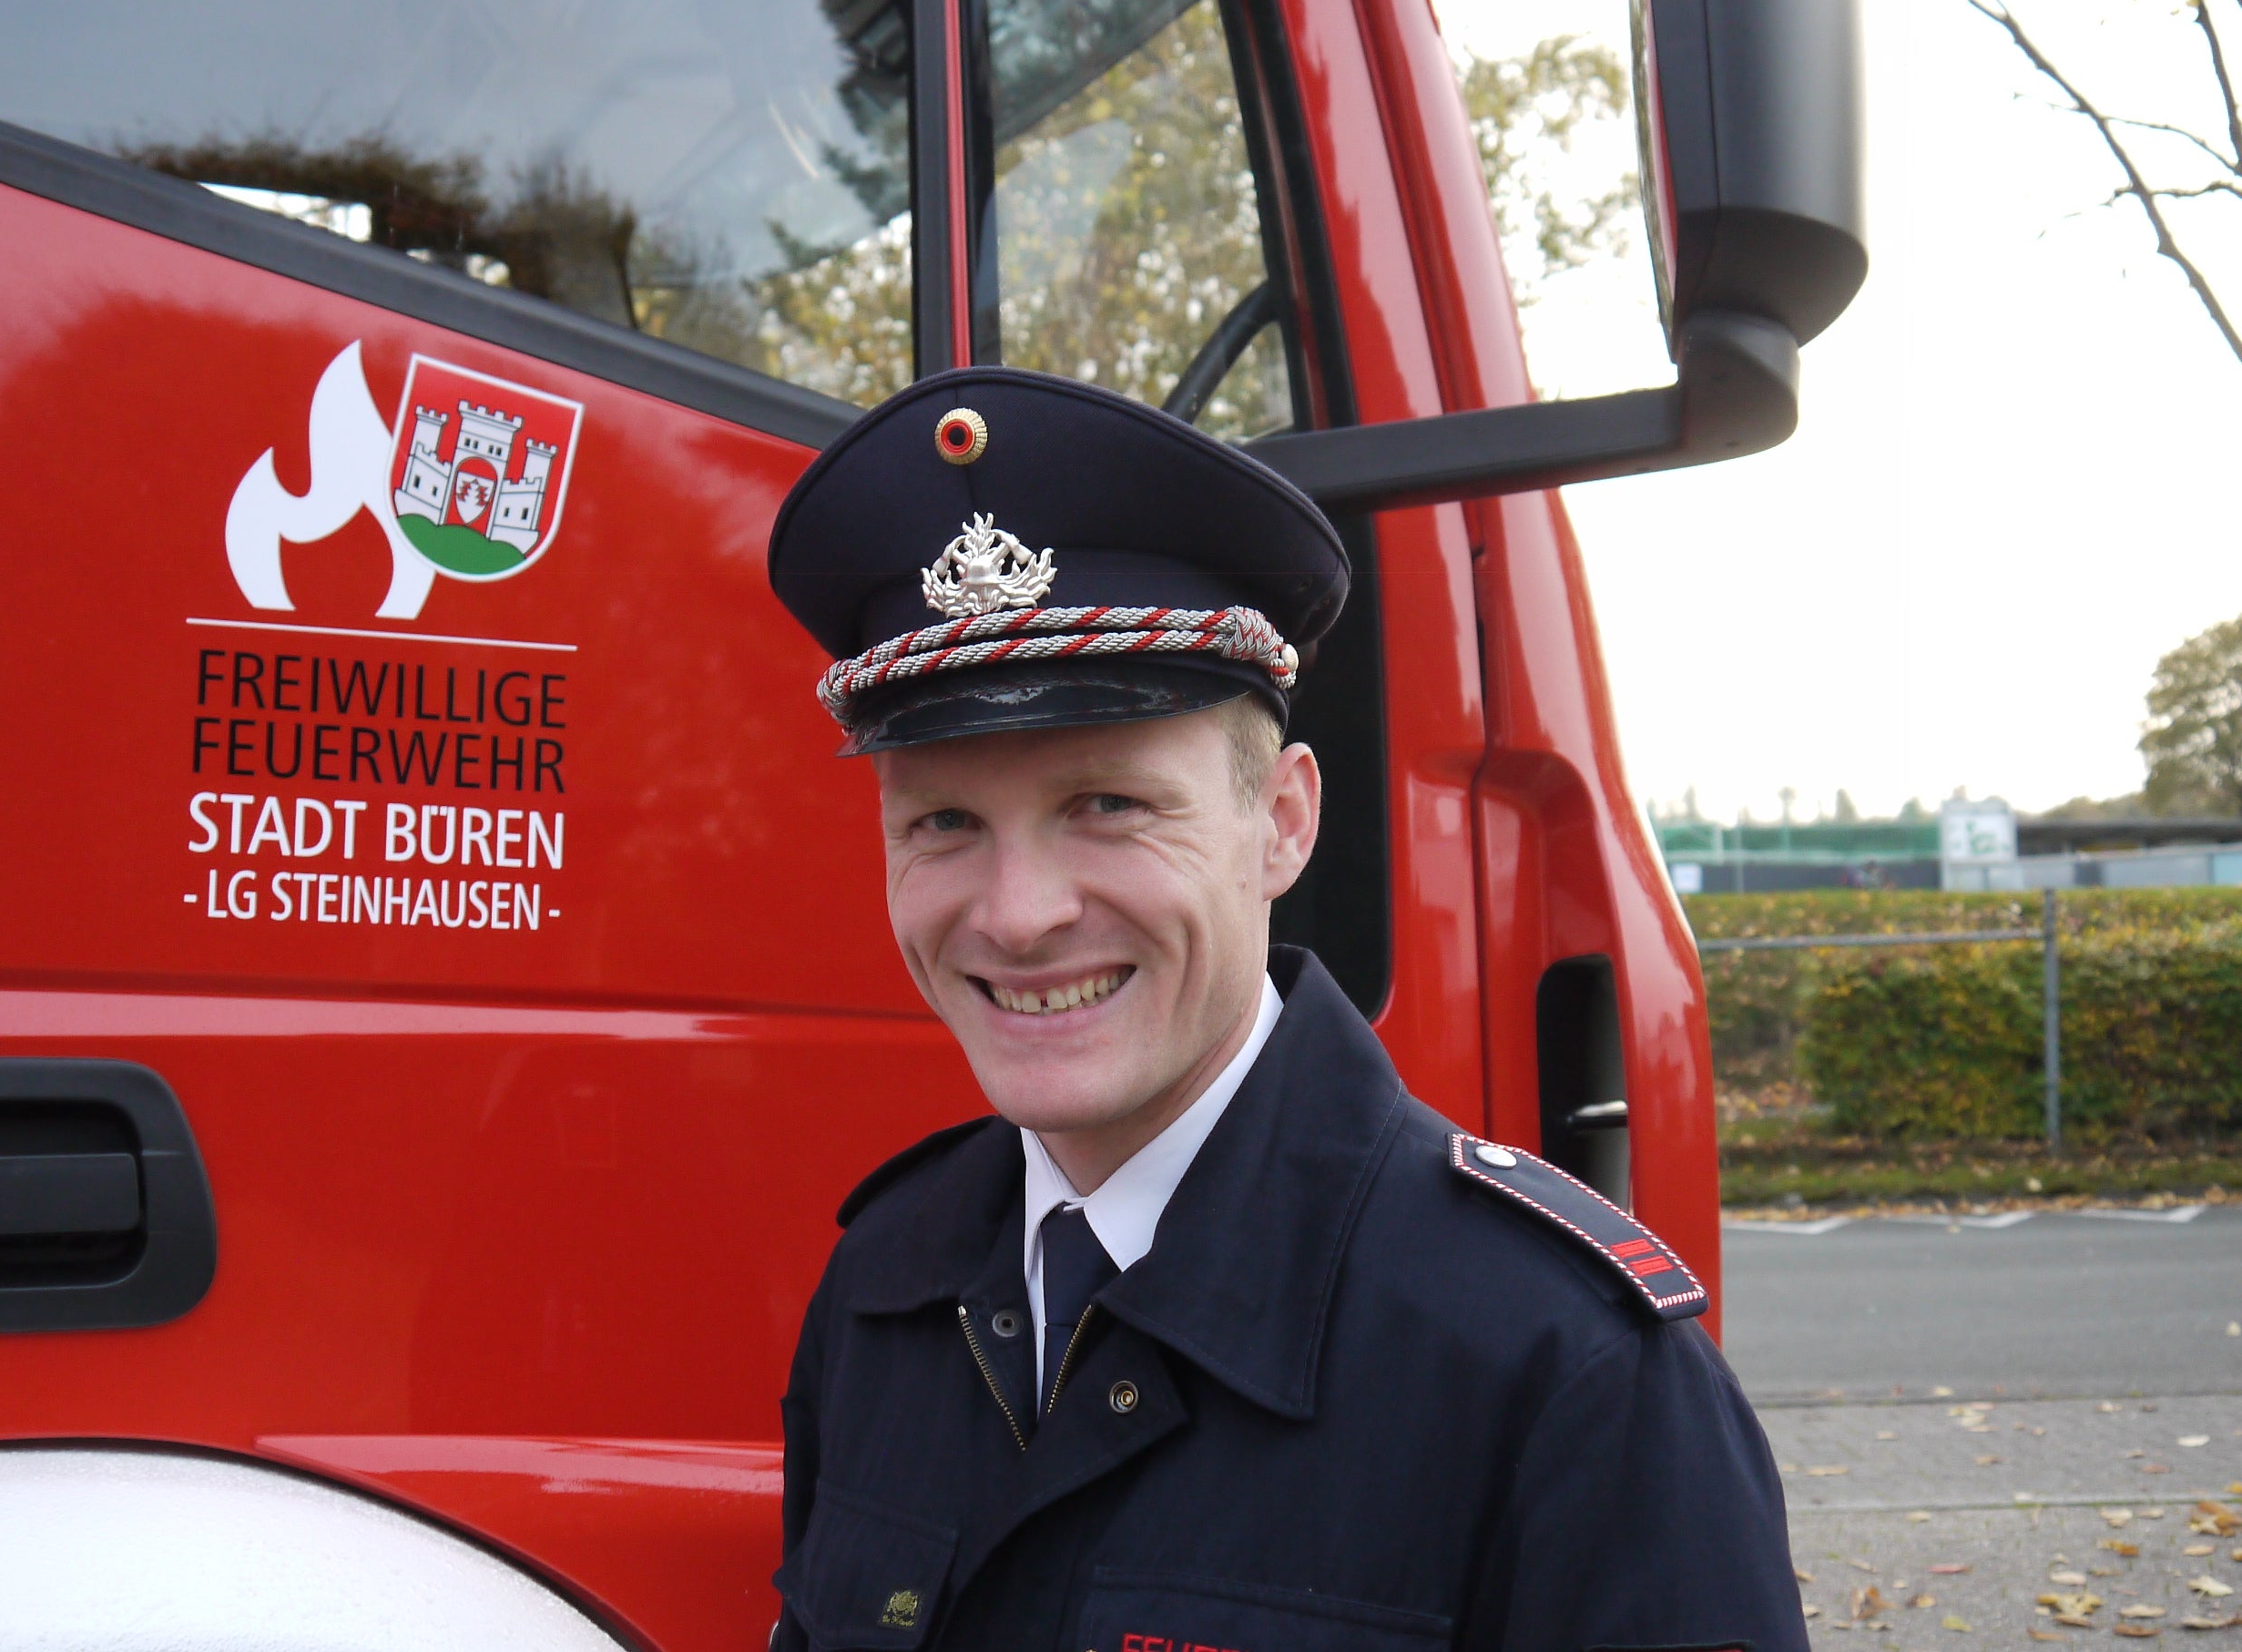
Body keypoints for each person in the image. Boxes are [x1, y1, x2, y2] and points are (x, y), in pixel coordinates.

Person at [764, 366, 1803, 1652]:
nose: (1018, 913)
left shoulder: (1560, 1370)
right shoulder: (884, 1293)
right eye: (944, 823)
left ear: (1284, 822)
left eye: (1110, 805)